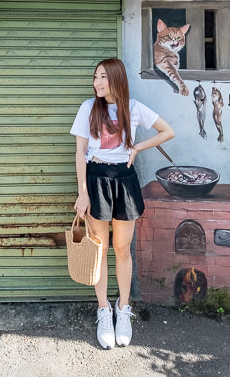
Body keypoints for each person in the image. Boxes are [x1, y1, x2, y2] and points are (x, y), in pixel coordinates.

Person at [70, 57, 175, 349]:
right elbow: (80, 154)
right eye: (96, 78)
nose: (98, 83)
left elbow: (168, 131)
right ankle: (104, 310)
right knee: (100, 250)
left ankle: (123, 308)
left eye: (103, 77)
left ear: (116, 78)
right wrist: (82, 192)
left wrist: (138, 147)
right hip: (96, 178)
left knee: (123, 248)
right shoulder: (88, 108)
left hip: (124, 180)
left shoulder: (134, 107)